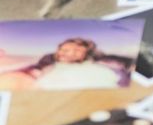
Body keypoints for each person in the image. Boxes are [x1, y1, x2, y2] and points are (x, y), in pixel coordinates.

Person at [0, 37, 131, 89]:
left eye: (75, 50)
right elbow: (34, 69)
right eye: (63, 49)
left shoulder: (104, 68)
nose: (66, 53)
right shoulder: (49, 60)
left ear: (87, 53)